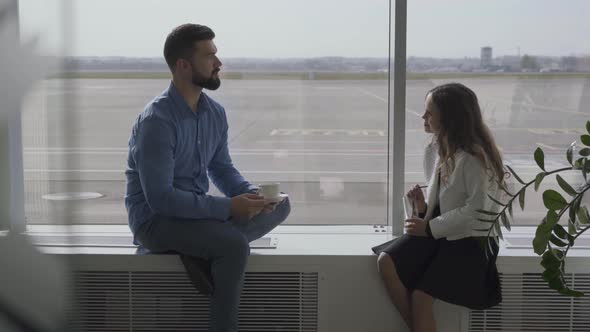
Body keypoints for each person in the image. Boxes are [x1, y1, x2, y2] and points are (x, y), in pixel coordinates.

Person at [125, 23, 291, 332]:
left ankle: (200, 249)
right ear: (184, 65)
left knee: (282, 205)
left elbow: (221, 167)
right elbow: (160, 200)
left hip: (196, 216)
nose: (219, 63)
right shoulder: (157, 121)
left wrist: (251, 195)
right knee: (234, 247)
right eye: (210, 56)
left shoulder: (214, 113)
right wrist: (229, 208)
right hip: (155, 221)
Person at [374, 83, 503, 332]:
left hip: (471, 239)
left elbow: (478, 211)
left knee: (421, 298)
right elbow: (446, 200)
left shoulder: (475, 158)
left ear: (450, 118)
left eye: (429, 112)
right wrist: (422, 208)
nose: (423, 117)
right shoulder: (435, 149)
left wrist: (429, 228)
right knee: (385, 261)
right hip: (442, 230)